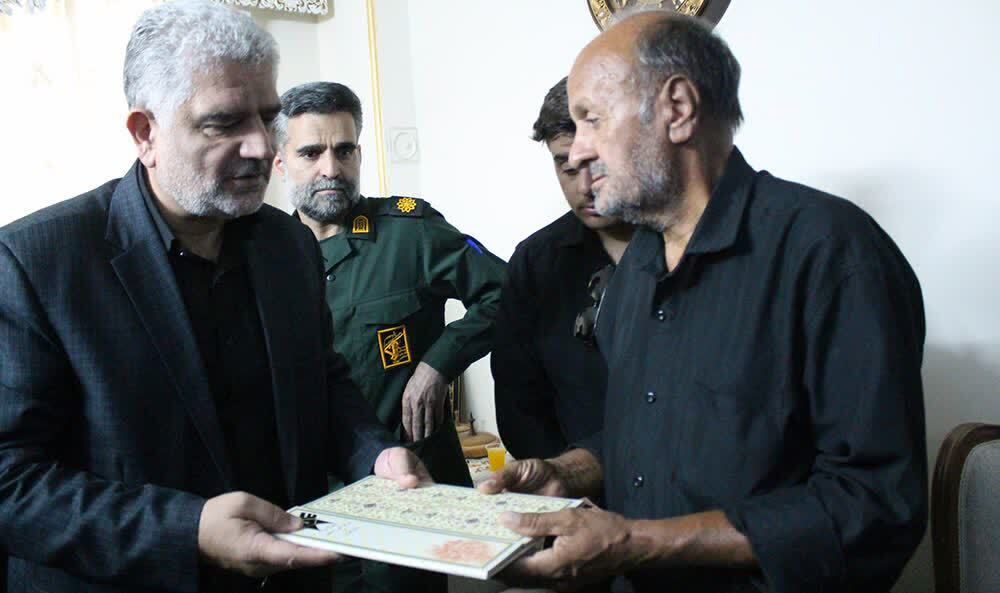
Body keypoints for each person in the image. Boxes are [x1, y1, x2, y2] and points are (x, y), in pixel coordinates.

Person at [482, 10, 927, 593]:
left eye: (592, 119)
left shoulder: (831, 255)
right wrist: (569, 472)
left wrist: (638, 542)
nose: (578, 152)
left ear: (677, 109)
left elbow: (875, 504)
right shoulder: (638, 268)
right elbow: (654, 438)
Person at [0, 2, 429, 592]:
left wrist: (373, 455)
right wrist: (187, 531)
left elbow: (322, 381)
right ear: (145, 133)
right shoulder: (35, 263)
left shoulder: (288, 245)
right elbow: (11, 481)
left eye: (268, 118)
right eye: (224, 123)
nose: (260, 147)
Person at [272, 81, 507, 593]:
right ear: (280, 162)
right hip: (312, 505)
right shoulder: (266, 255)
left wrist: (439, 363)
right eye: (310, 153)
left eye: (344, 150)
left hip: (406, 491)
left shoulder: (409, 232)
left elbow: (505, 292)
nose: (331, 168)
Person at [492, 77, 632, 461]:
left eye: (597, 162)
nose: (584, 186)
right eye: (566, 167)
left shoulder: (685, 246)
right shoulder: (534, 263)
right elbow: (519, 404)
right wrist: (565, 477)